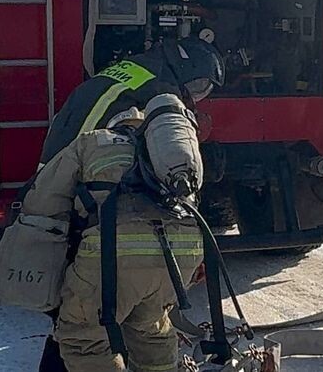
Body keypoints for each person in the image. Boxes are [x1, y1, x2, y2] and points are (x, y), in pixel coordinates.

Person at [21, 93, 205, 372]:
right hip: (180, 259)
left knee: (84, 339)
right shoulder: (169, 158)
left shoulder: (92, 142)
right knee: (151, 332)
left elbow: (43, 203)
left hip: (111, 257)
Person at [38, 37, 224, 168]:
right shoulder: (163, 89)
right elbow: (170, 147)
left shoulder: (140, 65)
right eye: (199, 85)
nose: (194, 97)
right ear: (188, 68)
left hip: (53, 161)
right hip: (78, 167)